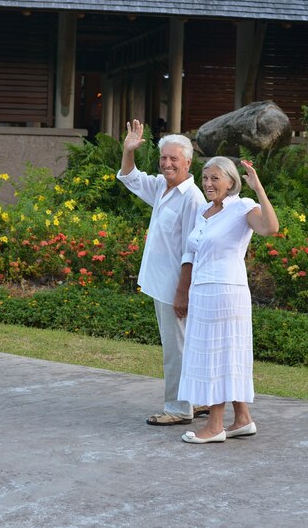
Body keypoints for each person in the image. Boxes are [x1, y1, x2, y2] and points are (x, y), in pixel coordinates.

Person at [178, 156, 279, 444]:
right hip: (203, 291)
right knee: (226, 353)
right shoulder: (204, 211)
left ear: (231, 182)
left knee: (218, 356)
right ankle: (243, 419)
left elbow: (270, 228)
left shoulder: (242, 207)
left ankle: (215, 426)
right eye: (205, 177)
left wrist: (258, 188)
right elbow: (193, 252)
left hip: (225, 292)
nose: (208, 183)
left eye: (215, 178)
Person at [117, 119, 208, 425]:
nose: (167, 164)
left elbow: (191, 251)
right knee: (182, 345)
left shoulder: (192, 198)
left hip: (176, 287)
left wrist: (182, 293)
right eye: (163, 159)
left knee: (176, 348)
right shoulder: (161, 188)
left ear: (188, 162)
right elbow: (130, 177)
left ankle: (179, 409)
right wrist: (128, 150)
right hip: (162, 284)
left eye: (174, 159)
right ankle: (195, 401)